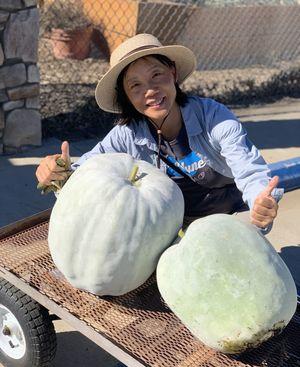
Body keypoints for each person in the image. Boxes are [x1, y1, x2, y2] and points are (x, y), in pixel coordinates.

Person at [36, 33, 283, 231]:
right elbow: (85, 171)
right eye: (135, 85)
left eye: (157, 75)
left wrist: (260, 203)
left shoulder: (214, 118)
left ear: (173, 73)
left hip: (230, 217)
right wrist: (59, 173)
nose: (150, 90)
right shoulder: (126, 135)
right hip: (171, 226)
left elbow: (249, 169)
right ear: (126, 97)